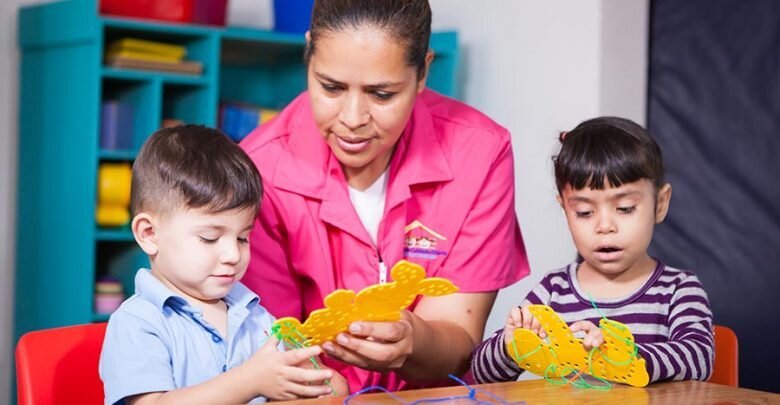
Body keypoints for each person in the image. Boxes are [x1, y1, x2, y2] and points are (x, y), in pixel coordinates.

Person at [239, 0, 530, 393]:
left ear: (423, 69)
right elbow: (271, 345)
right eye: (331, 87)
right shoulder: (257, 171)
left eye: (381, 94)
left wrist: (415, 340)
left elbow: (459, 339)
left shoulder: (480, 153)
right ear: (309, 51)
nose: (353, 118)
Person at [99, 125, 347, 404]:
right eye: (210, 238)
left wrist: (321, 382)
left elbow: (325, 387)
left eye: (243, 238)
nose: (233, 254)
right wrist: (250, 381)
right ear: (149, 234)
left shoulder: (258, 320)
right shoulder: (139, 323)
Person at [471, 117, 714, 384]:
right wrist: (511, 345)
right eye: (585, 212)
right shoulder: (555, 290)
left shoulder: (678, 289)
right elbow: (481, 373)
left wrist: (623, 355)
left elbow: (698, 358)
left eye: (625, 208)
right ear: (566, 210)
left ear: (660, 204)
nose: (605, 226)